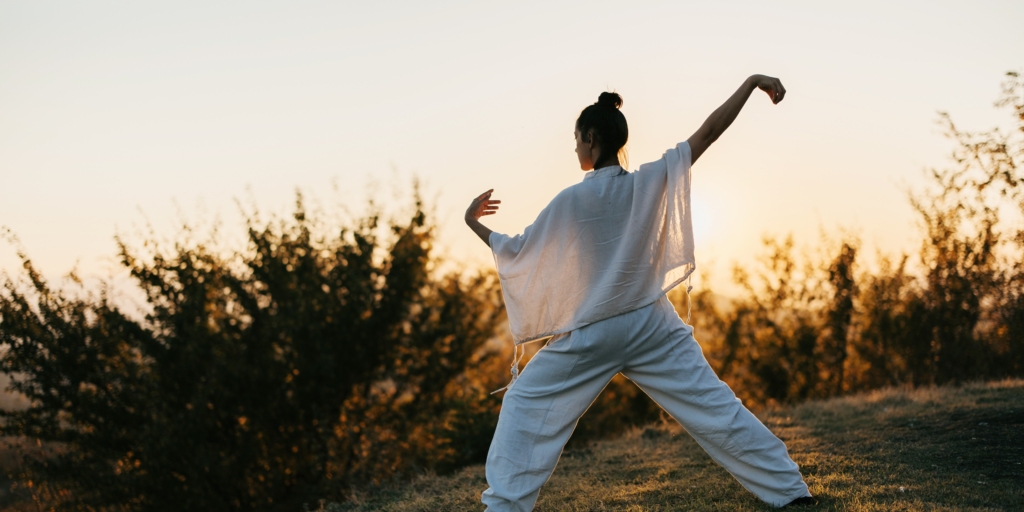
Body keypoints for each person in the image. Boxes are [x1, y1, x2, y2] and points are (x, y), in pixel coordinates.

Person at [464, 75, 818, 511]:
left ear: (591, 140)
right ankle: (791, 492)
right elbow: (708, 133)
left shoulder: (570, 201)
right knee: (715, 408)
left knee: (523, 403)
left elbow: (516, 250)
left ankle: (502, 507)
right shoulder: (648, 181)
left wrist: (473, 223)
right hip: (652, 325)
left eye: (576, 139)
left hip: (593, 332)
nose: (574, 148)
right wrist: (750, 84)